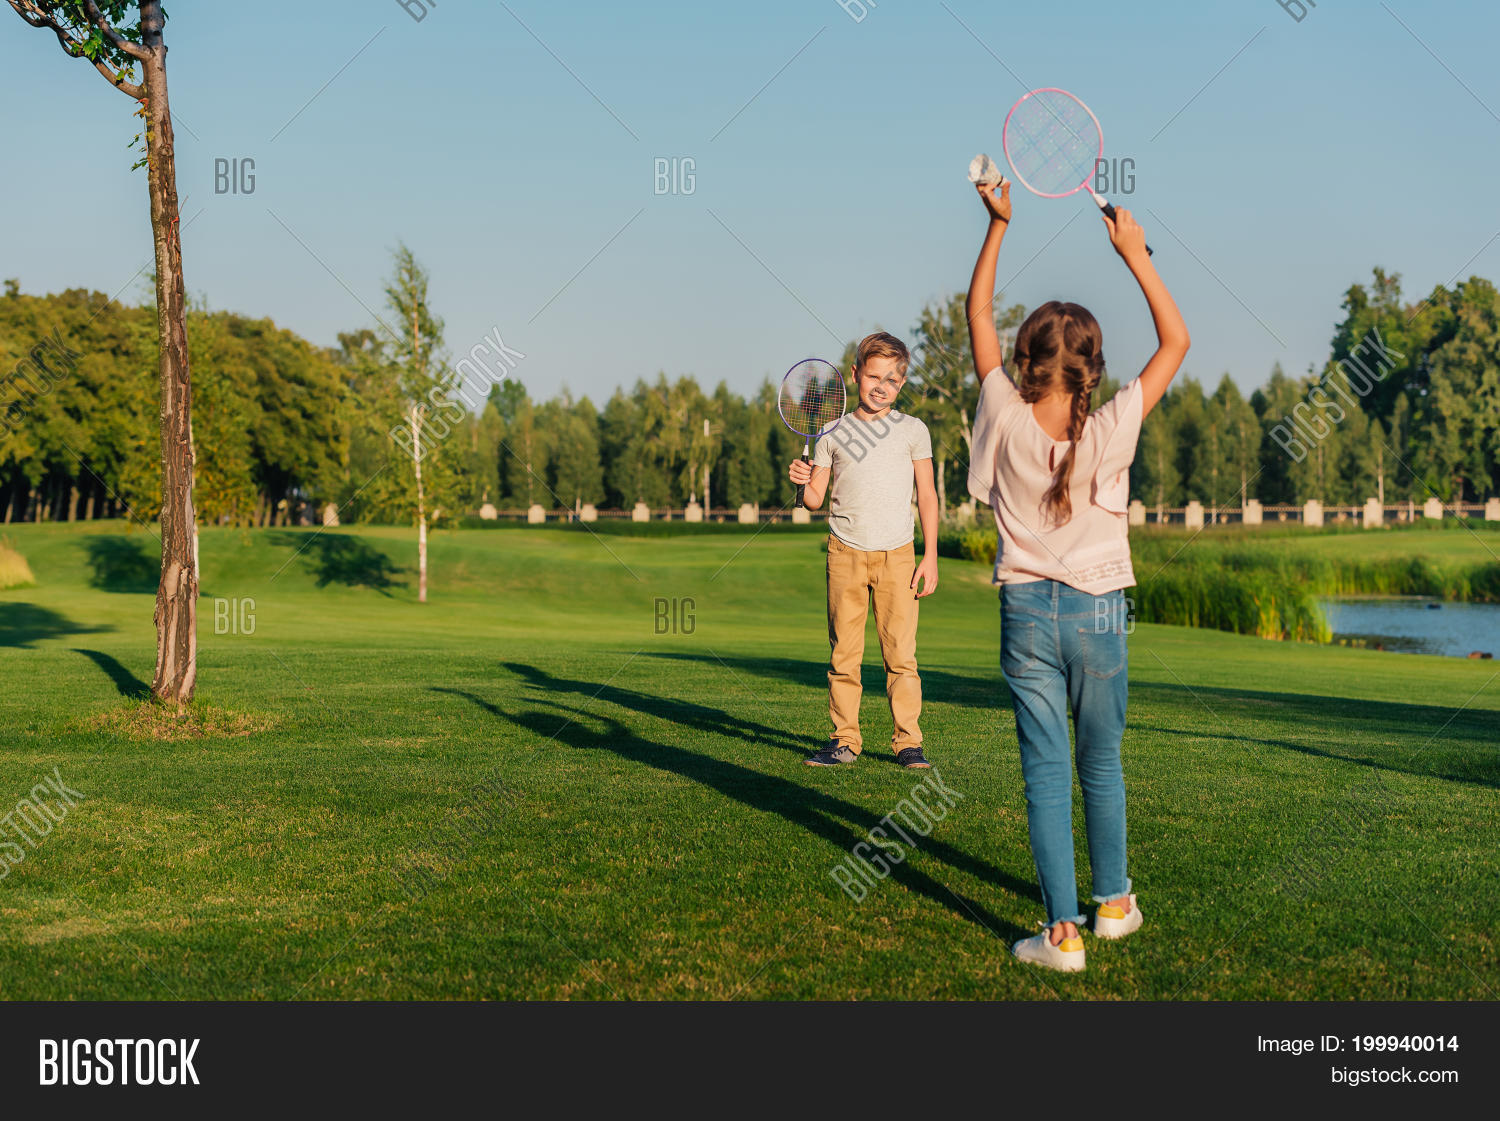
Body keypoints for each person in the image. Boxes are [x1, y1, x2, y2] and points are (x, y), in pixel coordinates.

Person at [964, 179, 1189, 971]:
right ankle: (1114, 904)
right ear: (1093, 365)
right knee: (1101, 760)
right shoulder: (1115, 420)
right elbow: (1177, 342)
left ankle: (1061, 935)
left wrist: (997, 226)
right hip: (1101, 613)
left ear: (1025, 362)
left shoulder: (1000, 407)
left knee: (1045, 770)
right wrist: (1135, 254)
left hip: (1026, 608)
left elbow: (976, 321)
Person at [789, 331, 940, 769]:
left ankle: (908, 742)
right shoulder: (832, 434)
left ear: (902, 382)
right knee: (843, 656)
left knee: (901, 656)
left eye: (892, 380)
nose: (881, 386)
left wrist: (930, 556)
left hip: (899, 556)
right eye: (873, 376)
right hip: (845, 553)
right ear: (855, 374)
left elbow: (927, 495)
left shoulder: (914, 430)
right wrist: (801, 484)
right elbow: (815, 499)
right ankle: (844, 740)